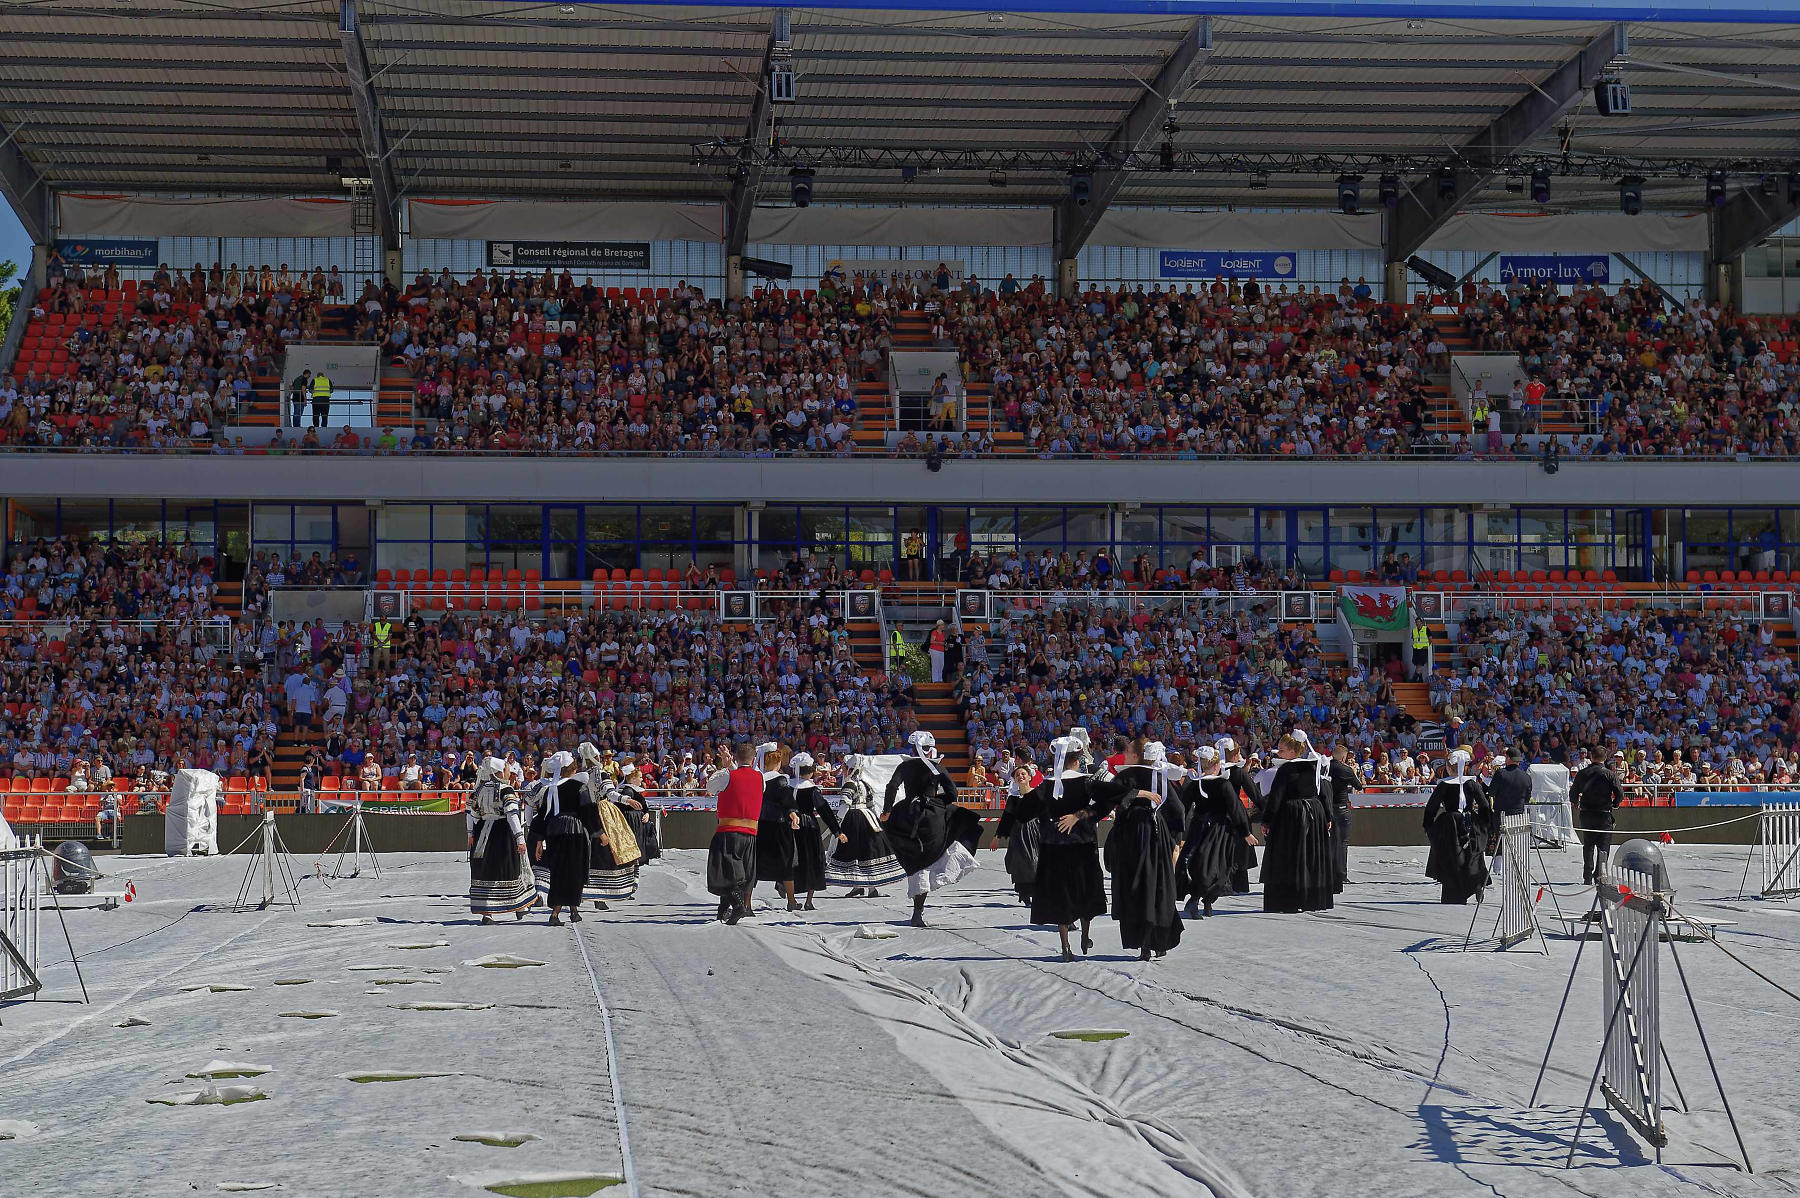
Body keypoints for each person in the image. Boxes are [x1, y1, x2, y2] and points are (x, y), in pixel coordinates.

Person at [1023, 728, 1130, 961]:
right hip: (1083, 843)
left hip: (1054, 845)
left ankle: (1065, 946)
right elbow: (1108, 801)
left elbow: (1032, 810)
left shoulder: (1046, 785)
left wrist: (1049, 822)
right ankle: (1085, 935)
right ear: (1078, 757)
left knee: (1061, 893)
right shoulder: (1088, 783)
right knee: (1086, 890)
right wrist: (1081, 815)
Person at [882, 729, 980, 927]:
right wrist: (938, 802)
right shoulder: (937, 767)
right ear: (929, 749)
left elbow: (891, 787)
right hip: (933, 815)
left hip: (908, 814)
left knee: (917, 860)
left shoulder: (905, 766)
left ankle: (917, 912)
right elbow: (952, 793)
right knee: (961, 826)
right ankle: (920, 909)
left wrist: (887, 810)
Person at [1106, 740, 1188, 961]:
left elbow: (1109, 797)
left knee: (1136, 887)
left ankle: (1143, 943)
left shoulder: (1125, 777)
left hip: (1130, 836)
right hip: (1156, 834)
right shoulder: (1158, 777)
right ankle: (1159, 940)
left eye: (1128, 751)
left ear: (1136, 756)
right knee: (1157, 886)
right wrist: (1175, 837)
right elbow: (1178, 809)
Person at [1258, 730, 1336, 913]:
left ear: (1293, 751)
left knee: (1291, 856)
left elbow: (1276, 797)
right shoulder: (1313, 766)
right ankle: (1311, 898)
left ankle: (1289, 899)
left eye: (1282, 750)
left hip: (1291, 816)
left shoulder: (1286, 769)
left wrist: (1267, 821)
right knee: (1310, 855)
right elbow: (1322, 791)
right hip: (1314, 814)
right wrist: (1327, 816)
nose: (1279, 752)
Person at [528, 751, 599, 926]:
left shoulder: (550, 789)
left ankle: (572, 910)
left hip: (554, 832)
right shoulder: (579, 787)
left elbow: (542, 816)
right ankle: (557, 913)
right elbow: (588, 810)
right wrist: (599, 832)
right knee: (575, 870)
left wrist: (538, 840)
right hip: (575, 831)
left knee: (559, 870)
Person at [466, 755, 534, 923]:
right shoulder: (506, 789)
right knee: (510, 867)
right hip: (502, 832)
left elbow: (471, 814)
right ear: (498, 772)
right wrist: (519, 838)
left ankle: (487, 912)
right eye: (505, 770)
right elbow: (512, 815)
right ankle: (519, 906)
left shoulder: (479, 790)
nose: (508, 773)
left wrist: (470, 834)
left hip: (482, 832)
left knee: (486, 869)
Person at [827, 754, 907, 897]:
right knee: (867, 851)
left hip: (853, 818)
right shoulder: (865, 784)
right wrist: (876, 820)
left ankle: (863, 886)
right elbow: (871, 804)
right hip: (868, 817)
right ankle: (864, 887)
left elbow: (845, 804)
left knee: (855, 852)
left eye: (845, 768)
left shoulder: (849, 784)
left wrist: (838, 822)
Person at [1421, 748, 1492, 905]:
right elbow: (1484, 805)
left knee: (1452, 857)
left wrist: (1428, 825)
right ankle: (1476, 884)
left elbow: (1431, 807)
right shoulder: (1472, 784)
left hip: (1450, 824)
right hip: (1469, 821)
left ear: (1449, 767)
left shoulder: (1444, 785)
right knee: (1472, 855)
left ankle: (1454, 893)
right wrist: (1483, 823)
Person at [705, 742, 764, 924]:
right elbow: (742, 781)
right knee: (740, 873)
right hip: (750, 834)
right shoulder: (760, 777)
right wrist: (730, 765)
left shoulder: (726, 775)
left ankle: (738, 906)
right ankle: (723, 909)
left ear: (736, 757)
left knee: (723, 872)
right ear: (753, 759)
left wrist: (725, 766)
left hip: (728, 831)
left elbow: (710, 788)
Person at [579, 750, 642, 911]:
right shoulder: (602, 774)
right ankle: (601, 894)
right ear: (597, 758)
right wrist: (626, 799)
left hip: (584, 813)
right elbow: (610, 793)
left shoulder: (581, 775)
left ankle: (585, 891)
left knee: (588, 852)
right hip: (603, 813)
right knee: (608, 851)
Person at [786, 753, 842, 910]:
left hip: (790, 825)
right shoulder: (812, 790)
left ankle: (791, 898)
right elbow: (825, 811)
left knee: (792, 859)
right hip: (809, 826)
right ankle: (809, 900)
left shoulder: (788, 787)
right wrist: (837, 831)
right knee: (813, 861)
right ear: (810, 771)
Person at [754, 742, 804, 911]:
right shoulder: (781, 780)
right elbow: (786, 799)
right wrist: (793, 813)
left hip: (759, 825)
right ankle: (791, 900)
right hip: (778, 825)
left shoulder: (758, 780)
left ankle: (746, 902)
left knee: (754, 864)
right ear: (778, 761)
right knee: (786, 862)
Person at [1572, 748, 1626, 884]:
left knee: (1588, 845)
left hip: (1587, 814)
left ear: (1591, 756)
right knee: (1603, 846)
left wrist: (1577, 803)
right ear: (1605, 757)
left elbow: (1573, 793)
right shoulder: (1609, 774)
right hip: (1604, 814)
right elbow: (1620, 793)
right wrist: (1615, 804)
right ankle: (1599, 874)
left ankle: (1587, 875)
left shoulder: (1582, 773)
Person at [993, 761, 1043, 906]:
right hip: (1018, 835)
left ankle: (1037, 891)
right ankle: (1025, 892)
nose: (1020, 776)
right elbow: (1007, 819)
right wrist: (997, 837)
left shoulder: (1038, 795)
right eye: (1017, 775)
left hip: (1035, 833)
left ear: (1029, 777)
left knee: (1035, 862)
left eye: (1023, 774)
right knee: (1019, 863)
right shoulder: (1013, 799)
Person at [1217, 736, 1261, 893]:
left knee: (1221, 849)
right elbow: (1255, 795)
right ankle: (1239, 884)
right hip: (1237, 815)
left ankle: (1221, 884)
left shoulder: (1214, 771)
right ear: (1234, 754)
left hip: (1218, 815)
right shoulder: (1238, 772)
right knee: (1240, 850)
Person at [1326, 744, 1362, 895]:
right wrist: (1352, 771)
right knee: (1342, 842)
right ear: (1343, 757)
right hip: (1340, 807)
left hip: (1326, 807)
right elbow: (1358, 786)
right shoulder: (1345, 769)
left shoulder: (1324, 767)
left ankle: (1327, 872)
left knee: (1327, 842)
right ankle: (1341, 874)